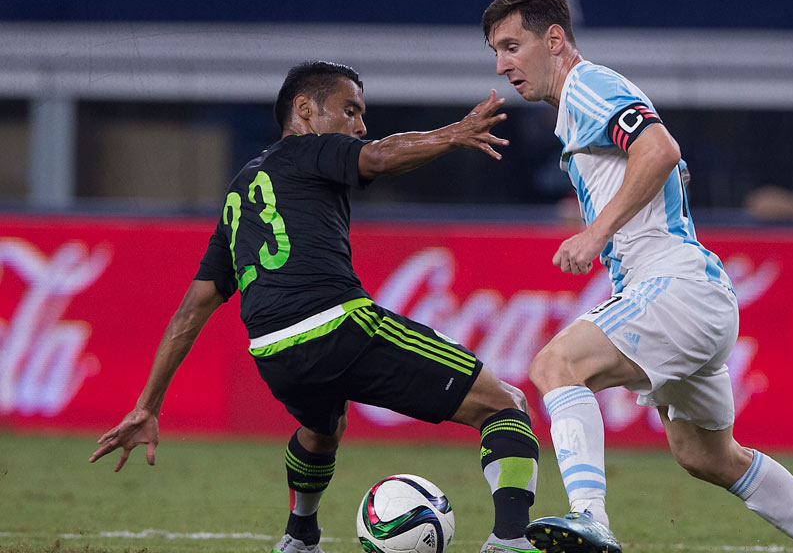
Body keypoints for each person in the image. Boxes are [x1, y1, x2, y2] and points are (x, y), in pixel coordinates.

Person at [89, 61, 542, 553]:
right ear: (304, 110)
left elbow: (191, 311)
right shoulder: (307, 149)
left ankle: (299, 538)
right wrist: (454, 134)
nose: (360, 125)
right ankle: (510, 540)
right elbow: (379, 157)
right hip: (337, 327)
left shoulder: (241, 189)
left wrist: (147, 405)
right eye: (350, 111)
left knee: (322, 428)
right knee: (506, 404)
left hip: (273, 353)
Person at [482, 0, 793, 553]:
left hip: (675, 286)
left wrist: (596, 231)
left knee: (556, 365)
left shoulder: (587, 85)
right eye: (495, 52)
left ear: (555, 39)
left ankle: (590, 515)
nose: (502, 65)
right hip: (696, 295)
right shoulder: (577, 105)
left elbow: (660, 149)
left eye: (512, 46)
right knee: (708, 456)